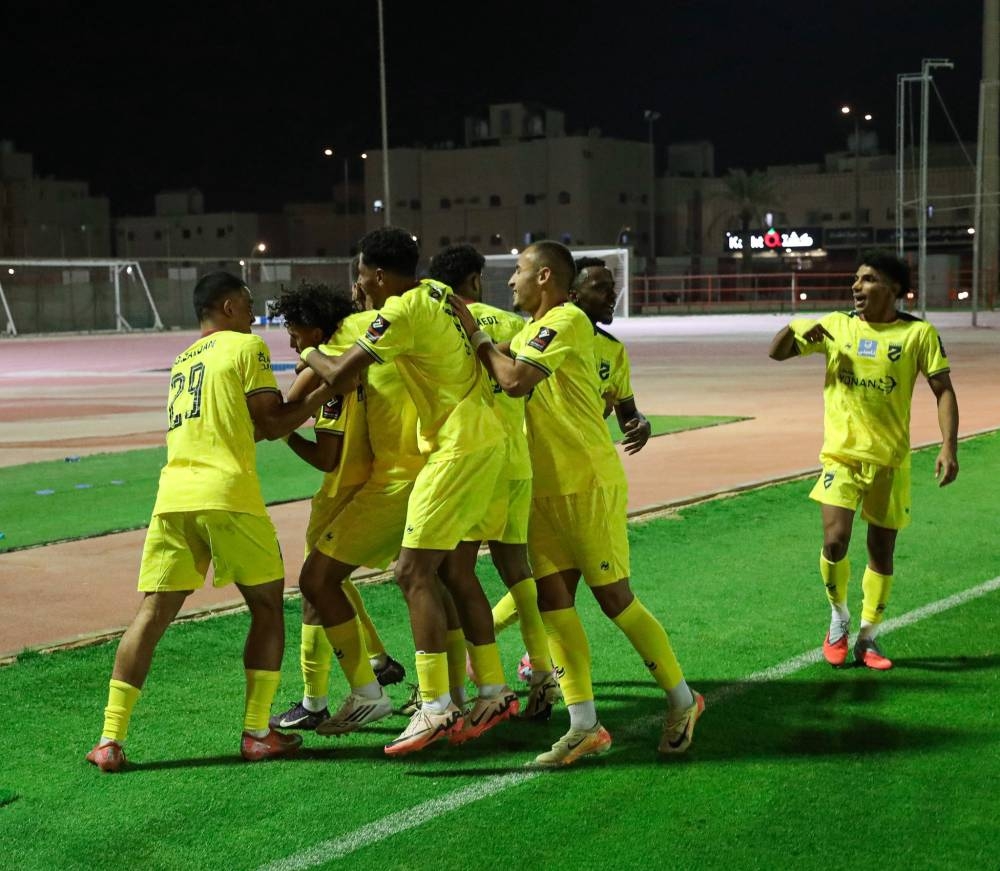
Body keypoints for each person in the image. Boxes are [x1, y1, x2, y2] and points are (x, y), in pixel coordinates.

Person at [455, 240, 703, 767]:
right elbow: (498, 351)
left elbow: (513, 380)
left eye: (518, 271)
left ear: (544, 276)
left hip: (587, 482)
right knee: (554, 604)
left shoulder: (567, 321)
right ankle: (584, 724)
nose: (511, 280)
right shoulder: (532, 330)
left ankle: (684, 700)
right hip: (544, 488)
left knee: (614, 599)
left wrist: (476, 336)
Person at [86, 272, 336, 772]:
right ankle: (257, 732)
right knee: (266, 607)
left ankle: (110, 739)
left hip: (172, 499)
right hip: (228, 496)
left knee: (151, 615)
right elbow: (271, 422)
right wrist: (329, 387)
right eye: (247, 304)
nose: (253, 315)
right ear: (227, 307)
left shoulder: (183, 361)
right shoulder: (246, 347)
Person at [298, 227, 518, 755]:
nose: (359, 285)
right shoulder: (438, 292)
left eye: (361, 275)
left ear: (376, 275)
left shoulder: (398, 313)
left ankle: (436, 705)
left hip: (455, 448)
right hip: (485, 440)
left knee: (412, 572)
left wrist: (308, 351)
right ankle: (490, 691)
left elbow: (340, 375)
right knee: (453, 573)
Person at [768, 250, 959, 670]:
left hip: (890, 461)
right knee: (834, 541)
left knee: (881, 551)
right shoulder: (837, 325)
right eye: (856, 279)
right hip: (841, 457)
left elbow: (943, 389)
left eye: (868, 279)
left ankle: (869, 637)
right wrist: (795, 327)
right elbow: (776, 352)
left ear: (894, 288)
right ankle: (838, 618)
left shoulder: (918, 334)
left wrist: (949, 446)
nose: (857, 286)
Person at [491, 255, 654, 687]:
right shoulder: (540, 333)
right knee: (555, 586)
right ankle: (521, 652)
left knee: (578, 587)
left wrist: (640, 424)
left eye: (612, 287)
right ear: (572, 293)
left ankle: (517, 651)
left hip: (584, 476)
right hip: (543, 475)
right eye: (601, 287)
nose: (612, 295)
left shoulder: (613, 350)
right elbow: (511, 372)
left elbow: (627, 411)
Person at [266, 281, 406, 734]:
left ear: (315, 330)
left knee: (316, 586)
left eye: (295, 332)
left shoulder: (329, 374)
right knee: (335, 582)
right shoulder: (359, 359)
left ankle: (318, 699)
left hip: (344, 491)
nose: (292, 343)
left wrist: (285, 433)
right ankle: (381, 662)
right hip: (376, 480)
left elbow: (325, 453)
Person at [427, 244, 554, 718]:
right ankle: (542, 671)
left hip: (469, 463)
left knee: (454, 573)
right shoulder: (514, 324)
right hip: (515, 460)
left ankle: (465, 690)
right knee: (516, 569)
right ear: (475, 280)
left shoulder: (441, 325)